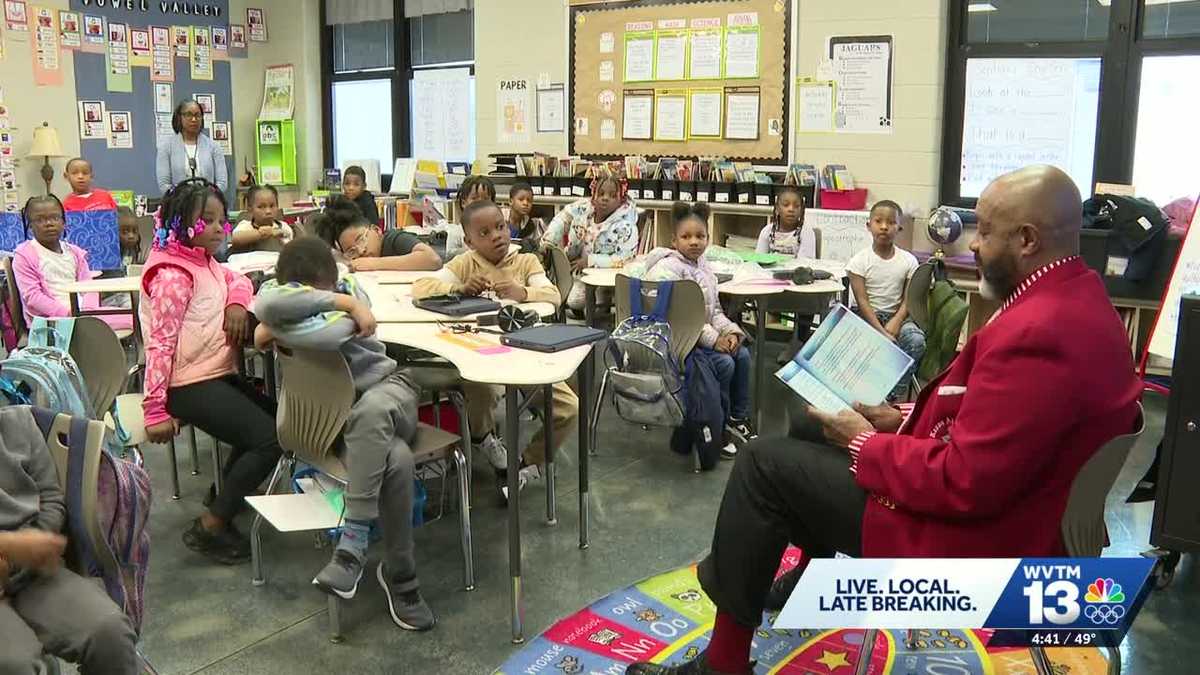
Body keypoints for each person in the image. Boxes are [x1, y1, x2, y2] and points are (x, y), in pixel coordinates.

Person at [624, 165, 1144, 675]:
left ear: (1028, 240)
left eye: (985, 231)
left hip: (981, 545)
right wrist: (899, 417)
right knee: (811, 424)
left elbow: (963, 481)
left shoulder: (1039, 331)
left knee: (762, 465)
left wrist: (866, 443)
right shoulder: (1077, 297)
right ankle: (810, 575)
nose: (974, 245)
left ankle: (724, 664)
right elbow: (997, 421)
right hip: (1019, 507)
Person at [254, 237, 436, 631]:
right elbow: (268, 305)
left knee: (373, 411)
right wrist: (335, 306)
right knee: (397, 459)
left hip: (390, 394)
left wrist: (280, 327)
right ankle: (401, 576)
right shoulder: (287, 298)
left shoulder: (352, 290)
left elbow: (327, 336)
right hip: (337, 421)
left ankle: (352, 544)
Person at [140, 178, 282, 565]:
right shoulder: (172, 274)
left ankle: (223, 495)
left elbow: (235, 278)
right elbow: (159, 343)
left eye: (222, 219)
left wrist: (237, 303)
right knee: (269, 439)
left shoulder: (202, 260)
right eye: (208, 220)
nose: (221, 228)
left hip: (212, 372)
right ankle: (211, 524)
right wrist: (154, 410)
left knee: (276, 422)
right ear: (181, 223)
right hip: (185, 383)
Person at [412, 200, 577, 500]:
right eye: (485, 233)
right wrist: (457, 289)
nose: (497, 236)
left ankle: (528, 463)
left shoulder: (525, 261)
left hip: (527, 351)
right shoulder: (465, 263)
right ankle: (484, 438)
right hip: (481, 351)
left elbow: (553, 295)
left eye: (500, 227)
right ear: (469, 241)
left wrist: (523, 292)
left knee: (568, 407)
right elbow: (421, 287)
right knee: (480, 389)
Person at [0, 406, 139, 675]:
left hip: (31, 572)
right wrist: (11, 548)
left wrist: (33, 545)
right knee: (17, 665)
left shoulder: (18, 422)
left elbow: (51, 497)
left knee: (109, 631)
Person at [641, 202, 755, 458]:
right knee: (725, 364)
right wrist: (715, 341)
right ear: (674, 240)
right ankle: (718, 425)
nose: (694, 242)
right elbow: (682, 319)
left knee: (744, 355)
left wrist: (731, 332)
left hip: (700, 337)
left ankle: (738, 417)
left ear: (708, 237)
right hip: (678, 341)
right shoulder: (668, 270)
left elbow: (713, 312)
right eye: (686, 236)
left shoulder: (704, 268)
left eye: (700, 236)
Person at [11, 195, 133, 332]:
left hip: (83, 312)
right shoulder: (24, 255)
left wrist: (88, 311)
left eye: (55, 218)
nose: (49, 223)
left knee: (133, 318)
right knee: (95, 330)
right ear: (30, 225)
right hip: (50, 320)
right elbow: (33, 298)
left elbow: (89, 287)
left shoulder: (74, 253)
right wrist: (69, 313)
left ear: (63, 222)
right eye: (40, 220)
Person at [845, 200, 925, 400]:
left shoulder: (909, 261)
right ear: (868, 225)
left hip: (897, 317)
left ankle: (887, 398)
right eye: (878, 221)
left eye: (890, 222)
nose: (884, 226)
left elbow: (910, 298)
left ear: (899, 227)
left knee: (916, 341)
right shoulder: (859, 261)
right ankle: (856, 394)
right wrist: (881, 332)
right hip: (866, 319)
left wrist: (894, 324)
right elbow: (862, 302)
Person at [542, 175, 639, 312]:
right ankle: (586, 307)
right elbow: (563, 218)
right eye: (600, 194)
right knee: (574, 301)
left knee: (597, 303)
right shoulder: (583, 209)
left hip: (606, 273)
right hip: (579, 270)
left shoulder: (626, 227)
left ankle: (604, 299)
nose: (605, 198)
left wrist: (591, 261)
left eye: (612, 196)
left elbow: (625, 258)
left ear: (621, 200)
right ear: (593, 195)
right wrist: (548, 241)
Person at [314, 196, 441, 273]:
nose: (361, 251)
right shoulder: (355, 259)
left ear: (376, 230)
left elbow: (433, 259)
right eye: (352, 251)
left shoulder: (393, 238)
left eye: (361, 239)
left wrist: (373, 263)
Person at [156, 100, 228, 194]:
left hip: (207, 203)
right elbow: (164, 185)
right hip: (179, 204)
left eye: (197, 115)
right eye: (189, 115)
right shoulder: (166, 147)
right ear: (179, 118)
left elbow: (222, 183)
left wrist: (207, 197)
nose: (194, 119)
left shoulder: (213, 147)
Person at [755, 185, 815, 258]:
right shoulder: (767, 231)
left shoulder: (806, 232)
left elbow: (805, 264)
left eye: (796, 206)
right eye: (786, 205)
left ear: (801, 210)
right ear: (777, 208)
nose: (791, 209)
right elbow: (759, 258)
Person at [231, 184, 293, 253]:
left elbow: (290, 248)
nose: (268, 211)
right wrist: (262, 233)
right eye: (261, 207)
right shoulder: (245, 226)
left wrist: (280, 234)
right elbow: (235, 239)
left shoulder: (283, 226)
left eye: (272, 206)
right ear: (250, 209)